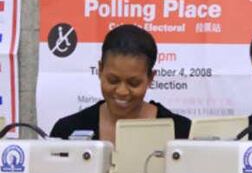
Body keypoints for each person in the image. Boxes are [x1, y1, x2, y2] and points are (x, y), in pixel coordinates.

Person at [50, 24, 191, 142]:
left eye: (133, 83)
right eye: (113, 80)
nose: (122, 91)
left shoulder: (181, 133)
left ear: (150, 78)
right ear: (100, 70)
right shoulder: (67, 131)